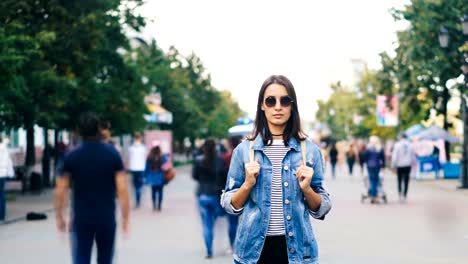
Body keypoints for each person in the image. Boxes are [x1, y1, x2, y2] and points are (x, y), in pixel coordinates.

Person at [220, 75, 332, 264]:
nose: (278, 106)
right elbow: (230, 205)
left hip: (297, 253)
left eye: (285, 100)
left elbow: (322, 208)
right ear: (262, 106)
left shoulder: (309, 151)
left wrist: (307, 189)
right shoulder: (244, 151)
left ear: (292, 105)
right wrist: (247, 185)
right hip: (253, 253)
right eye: (271, 101)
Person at [54, 112, 130, 264]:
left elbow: (60, 190)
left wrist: (60, 216)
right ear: (99, 128)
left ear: (78, 130)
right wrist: (126, 218)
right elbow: (122, 189)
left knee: (81, 258)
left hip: (81, 218)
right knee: (105, 259)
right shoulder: (112, 154)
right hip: (106, 217)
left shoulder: (72, 155)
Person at [192, 139, 226, 259]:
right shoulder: (220, 161)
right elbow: (224, 178)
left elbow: (194, 176)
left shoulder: (198, 160)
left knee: (206, 224)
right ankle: (211, 237)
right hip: (215, 195)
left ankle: (209, 251)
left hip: (202, 194)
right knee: (212, 221)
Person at [220, 136, 242, 252]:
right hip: (243, 192)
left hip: (231, 192)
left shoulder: (226, 158)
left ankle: (232, 244)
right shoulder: (243, 156)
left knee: (232, 222)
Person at [391, 133, 415, 202]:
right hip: (408, 165)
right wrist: (413, 163)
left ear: (401, 137)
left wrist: (393, 164)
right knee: (406, 180)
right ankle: (405, 195)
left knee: (399, 180)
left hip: (399, 165)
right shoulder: (410, 145)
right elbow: (413, 155)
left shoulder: (397, 145)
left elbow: (395, 156)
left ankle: (400, 194)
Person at [127, 132, 147, 208]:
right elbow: (145, 159)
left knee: (135, 185)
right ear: (140, 138)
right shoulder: (143, 148)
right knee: (140, 186)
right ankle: (138, 198)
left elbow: (128, 159)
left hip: (133, 168)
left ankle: (137, 199)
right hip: (141, 168)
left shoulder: (130, 148)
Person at [144, 145, 168, 211]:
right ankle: (159, 206)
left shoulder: (149, 157)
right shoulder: (162, 157)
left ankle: (154, 205)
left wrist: (145, 176)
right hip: (160, 175)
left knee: (153, 191)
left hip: (152, 176)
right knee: (160, 191)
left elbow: (146, 167)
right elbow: (166, 167)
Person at [364, 136, 385, 204]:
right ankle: (375, 196)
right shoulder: (379, 148)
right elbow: (382, 158)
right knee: (376, 181)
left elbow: (365, 157)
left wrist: (366, 164)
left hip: (370, 166)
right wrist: (383, 166)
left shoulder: (368, 148)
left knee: (371, 181)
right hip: (377, 166)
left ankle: (373, 196)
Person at [0, 135, 15, 222]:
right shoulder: (4, 148)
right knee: (1, 194)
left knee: (1, 194)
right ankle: (2, 216)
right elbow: (7, 161)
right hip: (2, 174)